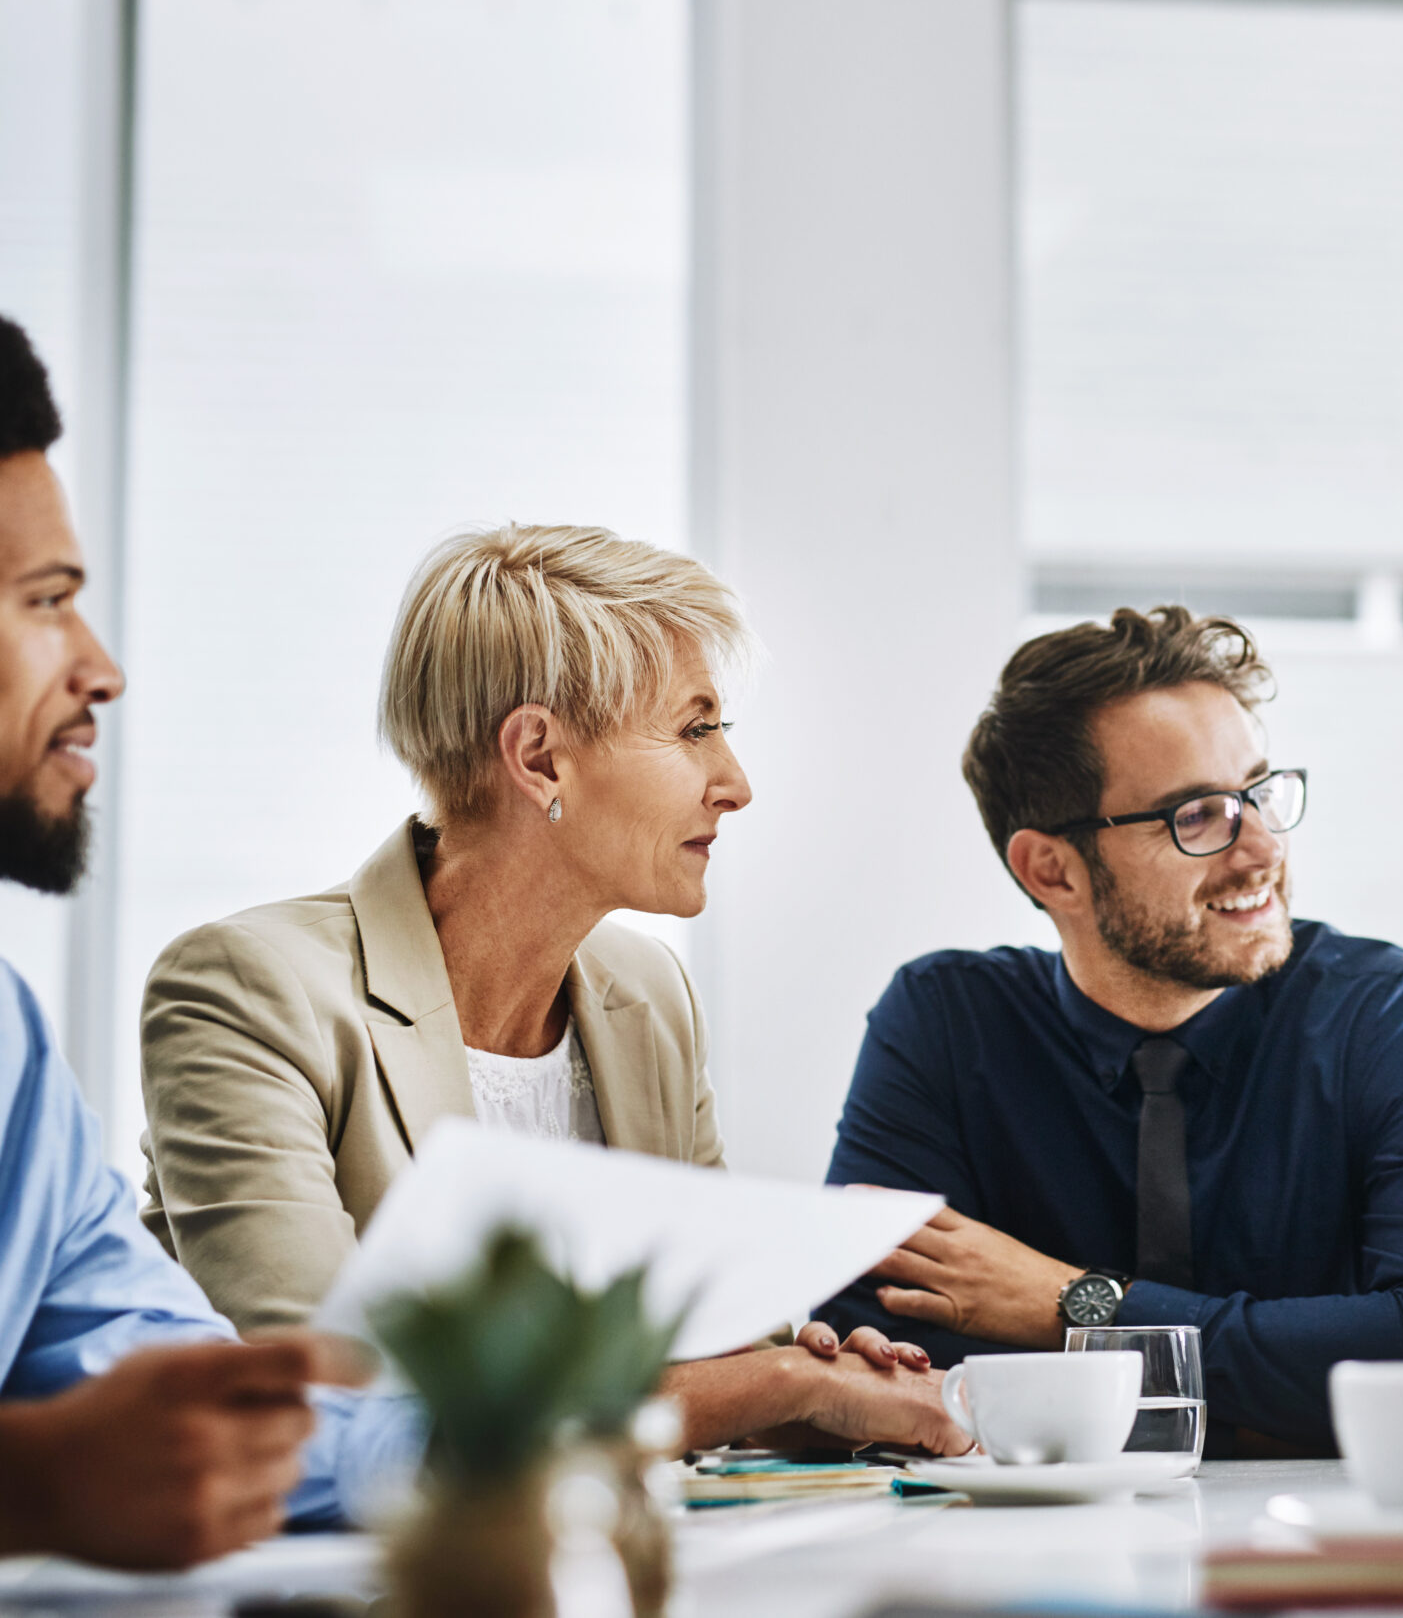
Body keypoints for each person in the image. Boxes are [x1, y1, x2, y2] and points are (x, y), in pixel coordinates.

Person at [138, 523, 961, 1455]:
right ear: (537, 757)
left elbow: (725, 1353)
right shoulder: (249, 989)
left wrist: (818, 1387)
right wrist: (777, 1383)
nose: (735, 782)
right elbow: (337, 1400)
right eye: (696, 729)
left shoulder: (647, 996)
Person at [819, 606, 1403, 1455]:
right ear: (1053, 870)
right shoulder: (943, 1023)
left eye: (1259, 793)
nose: (1262, 848)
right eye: (1198, 815)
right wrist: (1282, 1366)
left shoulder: (1382, 1012)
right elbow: (875, 1364)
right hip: (1020, 1563)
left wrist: (1067, 1303)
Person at [0, 313, 398, 1566]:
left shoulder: (5, 1043)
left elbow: (217, 1409)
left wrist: (584, 1409)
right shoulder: (260, 983)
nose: (102, 669)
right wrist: (33, 1486)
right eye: (47, 602)